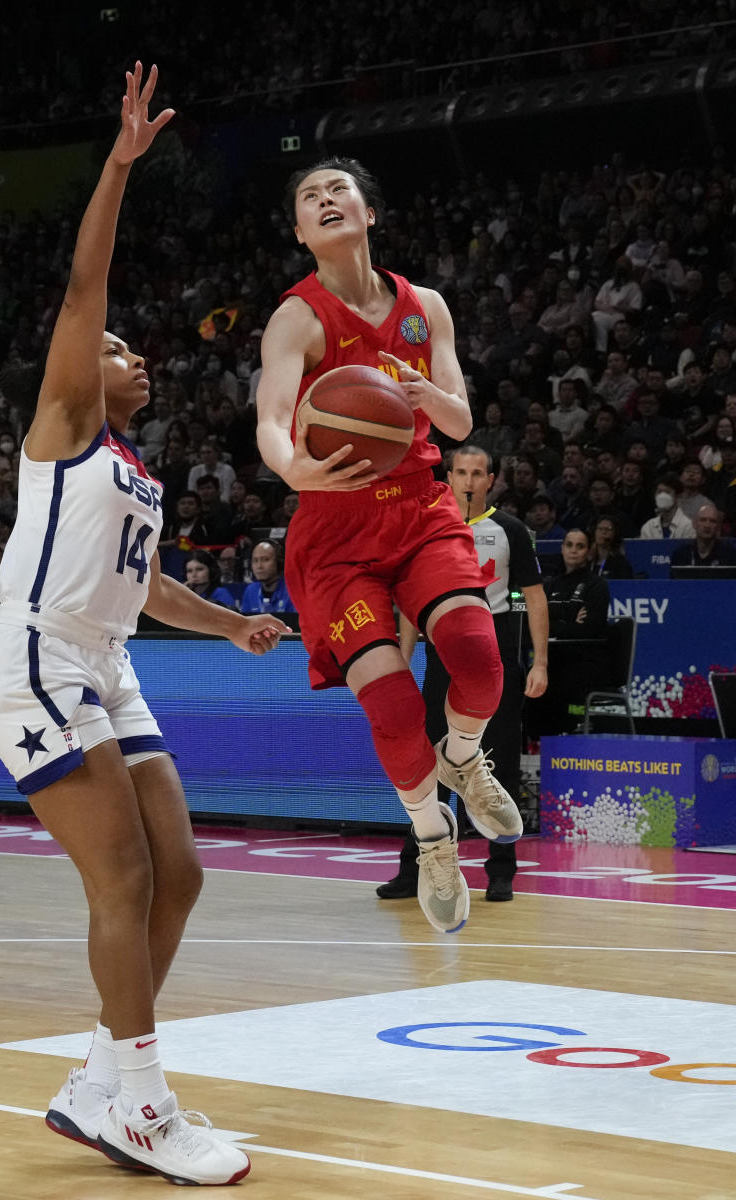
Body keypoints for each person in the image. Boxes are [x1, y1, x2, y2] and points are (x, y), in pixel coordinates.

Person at [0, 66, 283, 1188]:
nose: (131, 354)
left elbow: (148, 592)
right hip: (36, 656)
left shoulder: (132, 476)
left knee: (180, 874)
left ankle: (100, 1080)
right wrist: (118, 165)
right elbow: (82, 286)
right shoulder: (64, 424)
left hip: (107, 662)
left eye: (133, 350)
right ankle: (141, 1105)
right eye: (118, 348)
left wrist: (232, 625)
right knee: (124, 883)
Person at [255, 155, 522, 937]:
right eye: (310, 197)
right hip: (336, 530)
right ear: (303, 233)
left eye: (339, 189)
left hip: (418, 506)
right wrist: (294, 465)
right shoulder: (296, 318)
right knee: (395, 705)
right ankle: (432, 836)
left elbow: (461, 422)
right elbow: (272, 419)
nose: (325, 198)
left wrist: (425, 396)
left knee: (477, 655)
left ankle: (466, 758)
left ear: (368, 212)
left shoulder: (423, 306)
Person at [378, 447, 548, 904]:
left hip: (495, 663)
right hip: (440, 662)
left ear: (490, 479)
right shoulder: (427, 527)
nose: (469, 481)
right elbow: (413, 604)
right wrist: (402, 660)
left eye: (477, 473)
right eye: (461, 473)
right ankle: (418, 867)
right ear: (447, 476)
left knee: (496, 767)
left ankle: (501, 871)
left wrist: (540, 662)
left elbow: (535, 598)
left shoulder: (510, 530)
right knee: (427, 763)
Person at [526, 528, 611, 736]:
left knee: (559, 687)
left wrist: (552, 622)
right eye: (569, 545)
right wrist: (568, 620)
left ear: (589, 551)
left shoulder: (597, 586)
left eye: (580, 546)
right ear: (562, 549)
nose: (574, 551)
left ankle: (562, 748)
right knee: (526, 684)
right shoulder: (549, 585)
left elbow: (590, 629)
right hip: (552, 659)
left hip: (583, 662)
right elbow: (534, 623)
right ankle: (533, 751)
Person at [670, 503, 736, 568]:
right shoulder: (680, 555)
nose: (707, 525)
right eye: (703, 520)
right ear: (694, 524)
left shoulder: (732, 556)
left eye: (712, 521)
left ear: (718, 526)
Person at [239, 539, 293, 613]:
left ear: (279, 562)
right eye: (255, 560)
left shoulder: (291, 590)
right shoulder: (251, 591)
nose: (259, 566)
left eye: (265, 559)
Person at [639, 475, 696, 540]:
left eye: (667, 492)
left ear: (677, 496)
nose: (662, 496)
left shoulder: (688, 526)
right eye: (659, 492)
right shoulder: (648, 527)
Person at [587, 515, 634, 579]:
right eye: (600, 529)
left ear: (615, 533)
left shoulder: (620, 563)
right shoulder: (586, 561)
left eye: (608, 529)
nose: (603, 532)